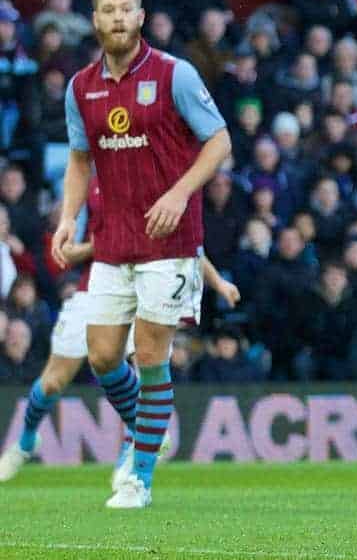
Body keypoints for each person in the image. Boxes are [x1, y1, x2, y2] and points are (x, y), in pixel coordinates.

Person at [53, 0, 232, 509]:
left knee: (151, 354)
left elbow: (219, 139)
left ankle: (139, 476)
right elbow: (81, 159)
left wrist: (179, 194)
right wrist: (69, 220)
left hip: (170, 241)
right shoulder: (80, 87)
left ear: (140, 16)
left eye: (124, 10)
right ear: (95, 19)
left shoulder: (174, 75)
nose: (115, 19)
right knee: (104, 357)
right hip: (112, 242)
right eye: (106, 10)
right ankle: (150, 429)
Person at [0, 179, 239, 483]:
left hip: (142, 288)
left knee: (143, 368)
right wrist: (75, 249)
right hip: (95, 287)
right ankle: (25, 441)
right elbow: (101, 239)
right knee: (52, 382)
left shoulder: (151, 175)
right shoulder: (93, 180)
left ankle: (134, 459)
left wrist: (218, 283)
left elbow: (186, 241)